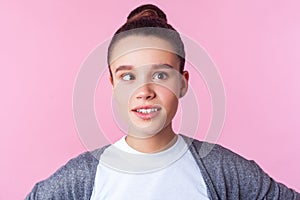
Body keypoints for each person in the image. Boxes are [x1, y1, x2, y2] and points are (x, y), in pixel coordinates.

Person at [26, 4, 300, 200]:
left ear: (183, 83)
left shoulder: (221, 169)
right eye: (128, 76)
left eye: (160, 74)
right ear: (113, 86)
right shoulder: (83, 177)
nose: (144, 91)